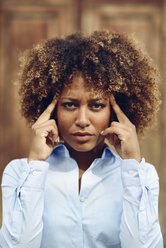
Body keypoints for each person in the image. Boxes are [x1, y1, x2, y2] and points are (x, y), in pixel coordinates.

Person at [0, 30, 163, 248]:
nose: (83, 120)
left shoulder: (142, 175)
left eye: (97, 105)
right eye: (70, 104)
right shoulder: (20, 173)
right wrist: (36, 165)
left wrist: (132, 163)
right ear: (51, 109)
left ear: (115, 112)